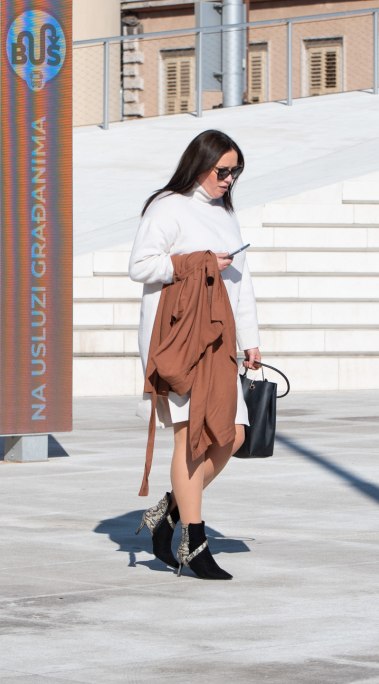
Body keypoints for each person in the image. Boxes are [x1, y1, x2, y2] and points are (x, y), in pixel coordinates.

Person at [129, 129, 261, 580]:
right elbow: (140, 266)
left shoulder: (225, 213)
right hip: (180, 339)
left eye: (235, 172)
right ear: (200, 164)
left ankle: (168, 512)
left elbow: (241, 282)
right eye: (222, 171)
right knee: (191, 439)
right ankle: (194, 541)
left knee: (233, 435)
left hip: (221, 338)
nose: (228, 179)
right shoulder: (167, 207)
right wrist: (198, 262)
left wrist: (250, 340)